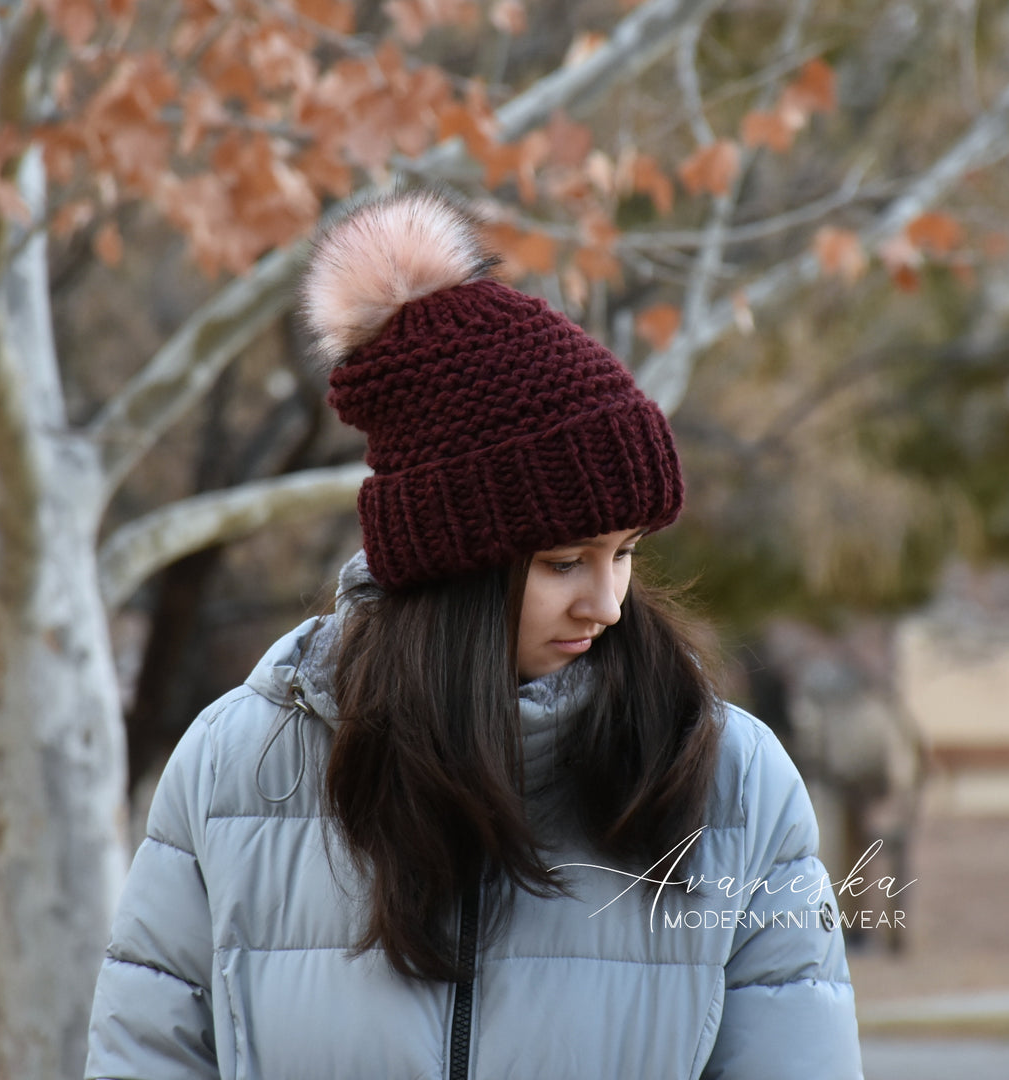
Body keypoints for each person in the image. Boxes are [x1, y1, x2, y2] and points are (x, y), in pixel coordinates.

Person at [85, 189, 864, 1079]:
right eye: (565, 562)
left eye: (625, 553)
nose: (607, 603)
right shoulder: (236, 770)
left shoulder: (732, 782)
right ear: (450, 567)